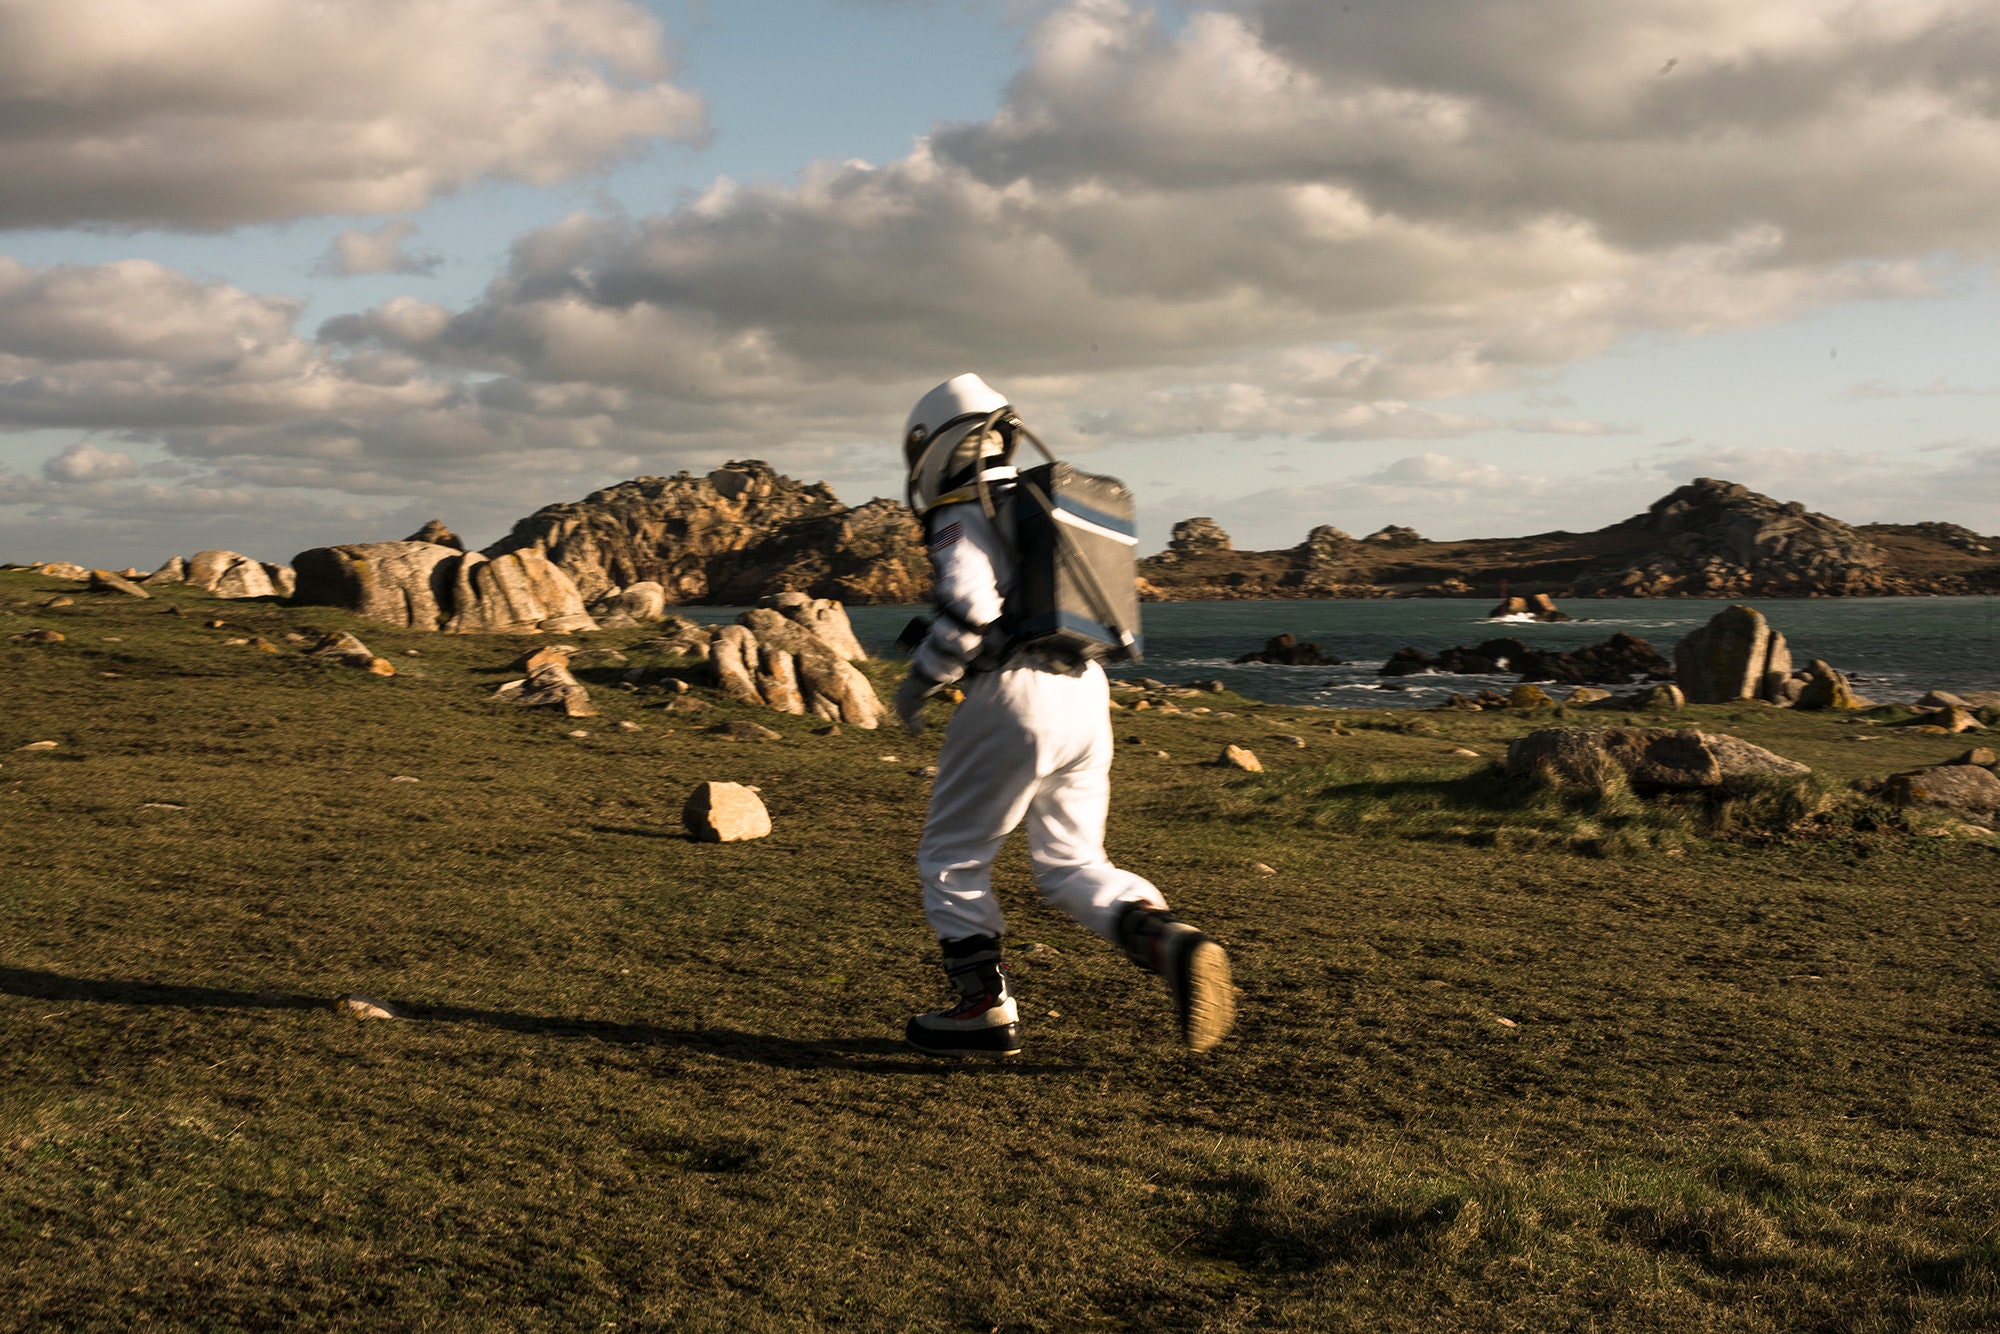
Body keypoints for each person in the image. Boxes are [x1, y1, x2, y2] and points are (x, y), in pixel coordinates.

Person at [894, 373, 1235, 1057]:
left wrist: (919, 683)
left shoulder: (963, 508)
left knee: (952, 855)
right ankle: (1165, 938)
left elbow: (970, 613)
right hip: (1086, 688)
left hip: (1013, 692)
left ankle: (980, 1007)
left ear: (934, 446)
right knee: (1072, 860)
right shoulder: (1035, 504)